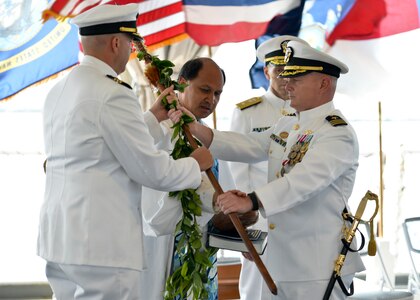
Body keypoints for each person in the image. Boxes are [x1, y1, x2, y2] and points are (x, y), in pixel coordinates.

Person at [37, 4, 213, 300]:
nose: (131, 51)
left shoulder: (60, 89)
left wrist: (152, 118)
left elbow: (100, 147)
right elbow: (152, 171)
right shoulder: (114, 93)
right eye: (130, 43)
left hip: (60, 237)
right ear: (116, 43)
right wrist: (195, 164)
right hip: (101, 244)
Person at [169, 40, 365, 299]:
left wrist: (251, 201)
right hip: (280, 260)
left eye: (297, 79)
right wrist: (198, 130)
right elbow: (250, 145)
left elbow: (302, 183)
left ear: (323, 84)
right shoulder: (289, 123)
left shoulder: (336, 133)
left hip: (315, 266)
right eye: (287, 77)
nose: (287, 84)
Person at [228, 35, 307, 300]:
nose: (287, 79)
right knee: (257, 290)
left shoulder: (308, 114)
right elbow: (237, 174)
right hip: (261, 219)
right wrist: (245, 228)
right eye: (280, 71)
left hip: (299, 220)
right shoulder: (248, 112)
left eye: (293, 72)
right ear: (266, 71)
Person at [141, 57, 226, 299]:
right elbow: (154, 196)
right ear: (180, 83)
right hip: (167, 244)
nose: (211, 100)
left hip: (202, 248)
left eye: (218, 93)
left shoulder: (206, 135)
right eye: (205, 90)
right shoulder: (159, 132)